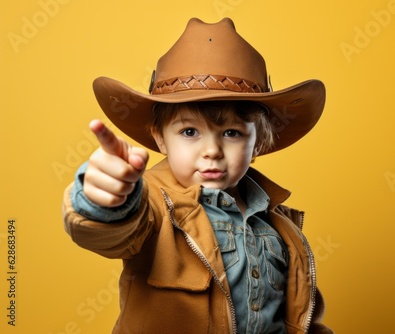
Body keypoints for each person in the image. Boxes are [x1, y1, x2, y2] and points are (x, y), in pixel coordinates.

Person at [62, 17, 333, 334]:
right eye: (190, 131)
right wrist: (105, 199)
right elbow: (112, 232)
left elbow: (301, 317)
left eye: (231, 133)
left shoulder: (279, 225)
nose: (212, 151)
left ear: (258, 141)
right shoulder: (153, 207)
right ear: (161, 138)